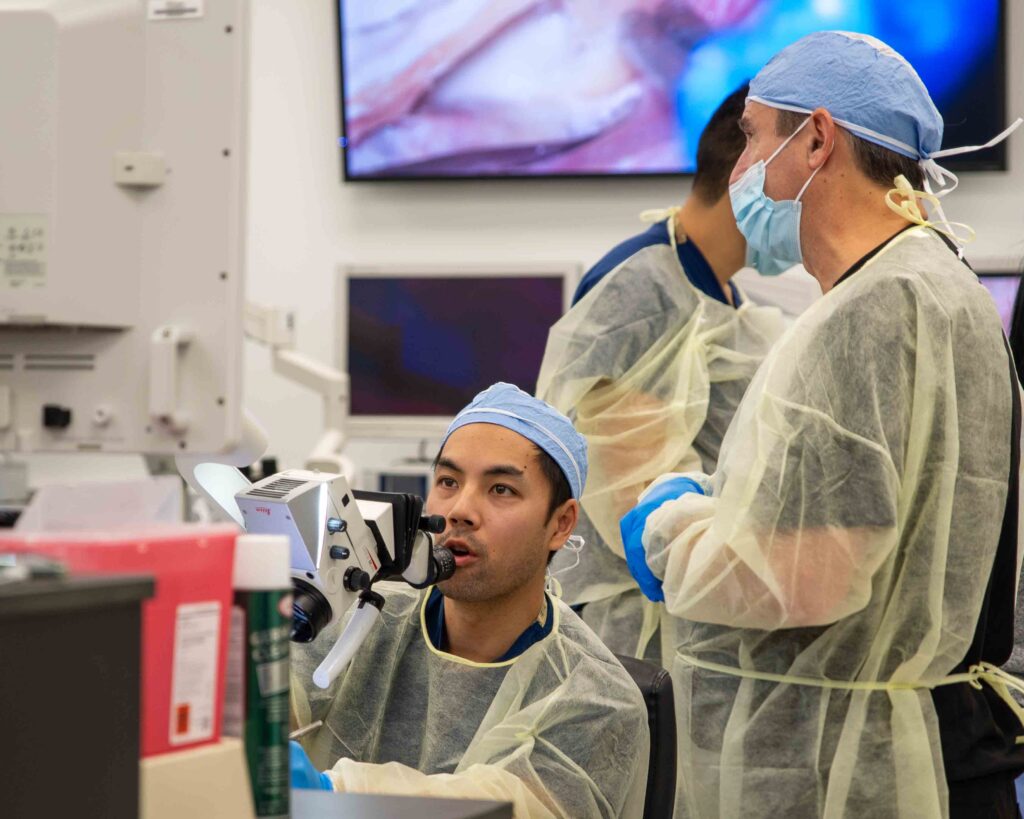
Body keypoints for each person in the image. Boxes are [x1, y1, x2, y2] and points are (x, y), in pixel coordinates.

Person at [619, 31, 1024, 819]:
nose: (740, 170)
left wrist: (674, 529)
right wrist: (723, 504)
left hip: (871, 774)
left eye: (751, 138)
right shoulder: (933, 283)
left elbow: (810, 574)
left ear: (816, 139)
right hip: (928, 754)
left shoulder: (876, 309)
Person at [289, 383, 650, 819]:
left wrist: (336, 791)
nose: (460, 510)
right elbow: (270, 703)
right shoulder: (362, 619)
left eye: (501, 489)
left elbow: (512, 807)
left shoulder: (598, 701)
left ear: (561, 523)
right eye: (448, 481)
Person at [537, 83, 786, 662]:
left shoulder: (720, 291)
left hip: (698, 611)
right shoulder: (641, 290)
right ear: (748, 176)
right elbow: (634, 501)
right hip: (644, 628)